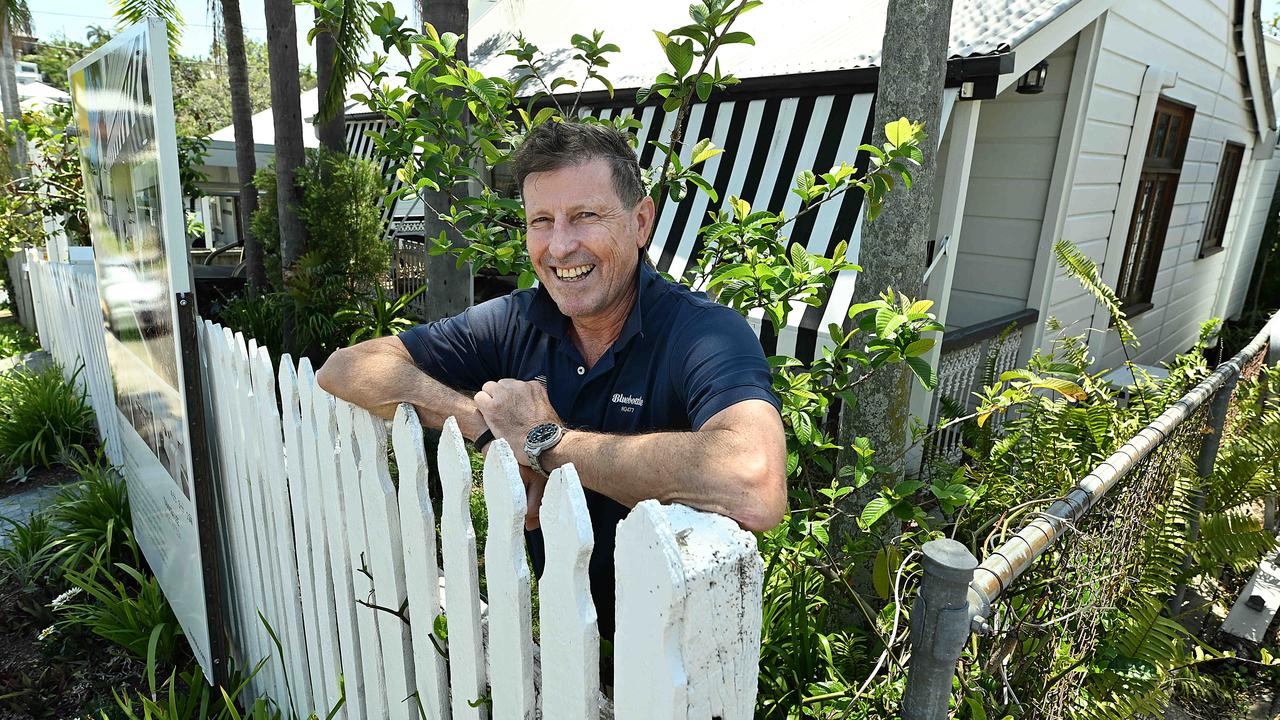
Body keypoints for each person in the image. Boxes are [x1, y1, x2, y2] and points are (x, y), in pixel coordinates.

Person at [315, 121, 786, 639]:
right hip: (566, 638)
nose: (560, 246)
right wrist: (492, 426)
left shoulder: (703, 332)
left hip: (686, 654)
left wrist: (548, 444)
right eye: (542, 220)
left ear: (641, 222)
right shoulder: (516, 320)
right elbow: (343, 368)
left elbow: (754, 482)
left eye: (585, 216)